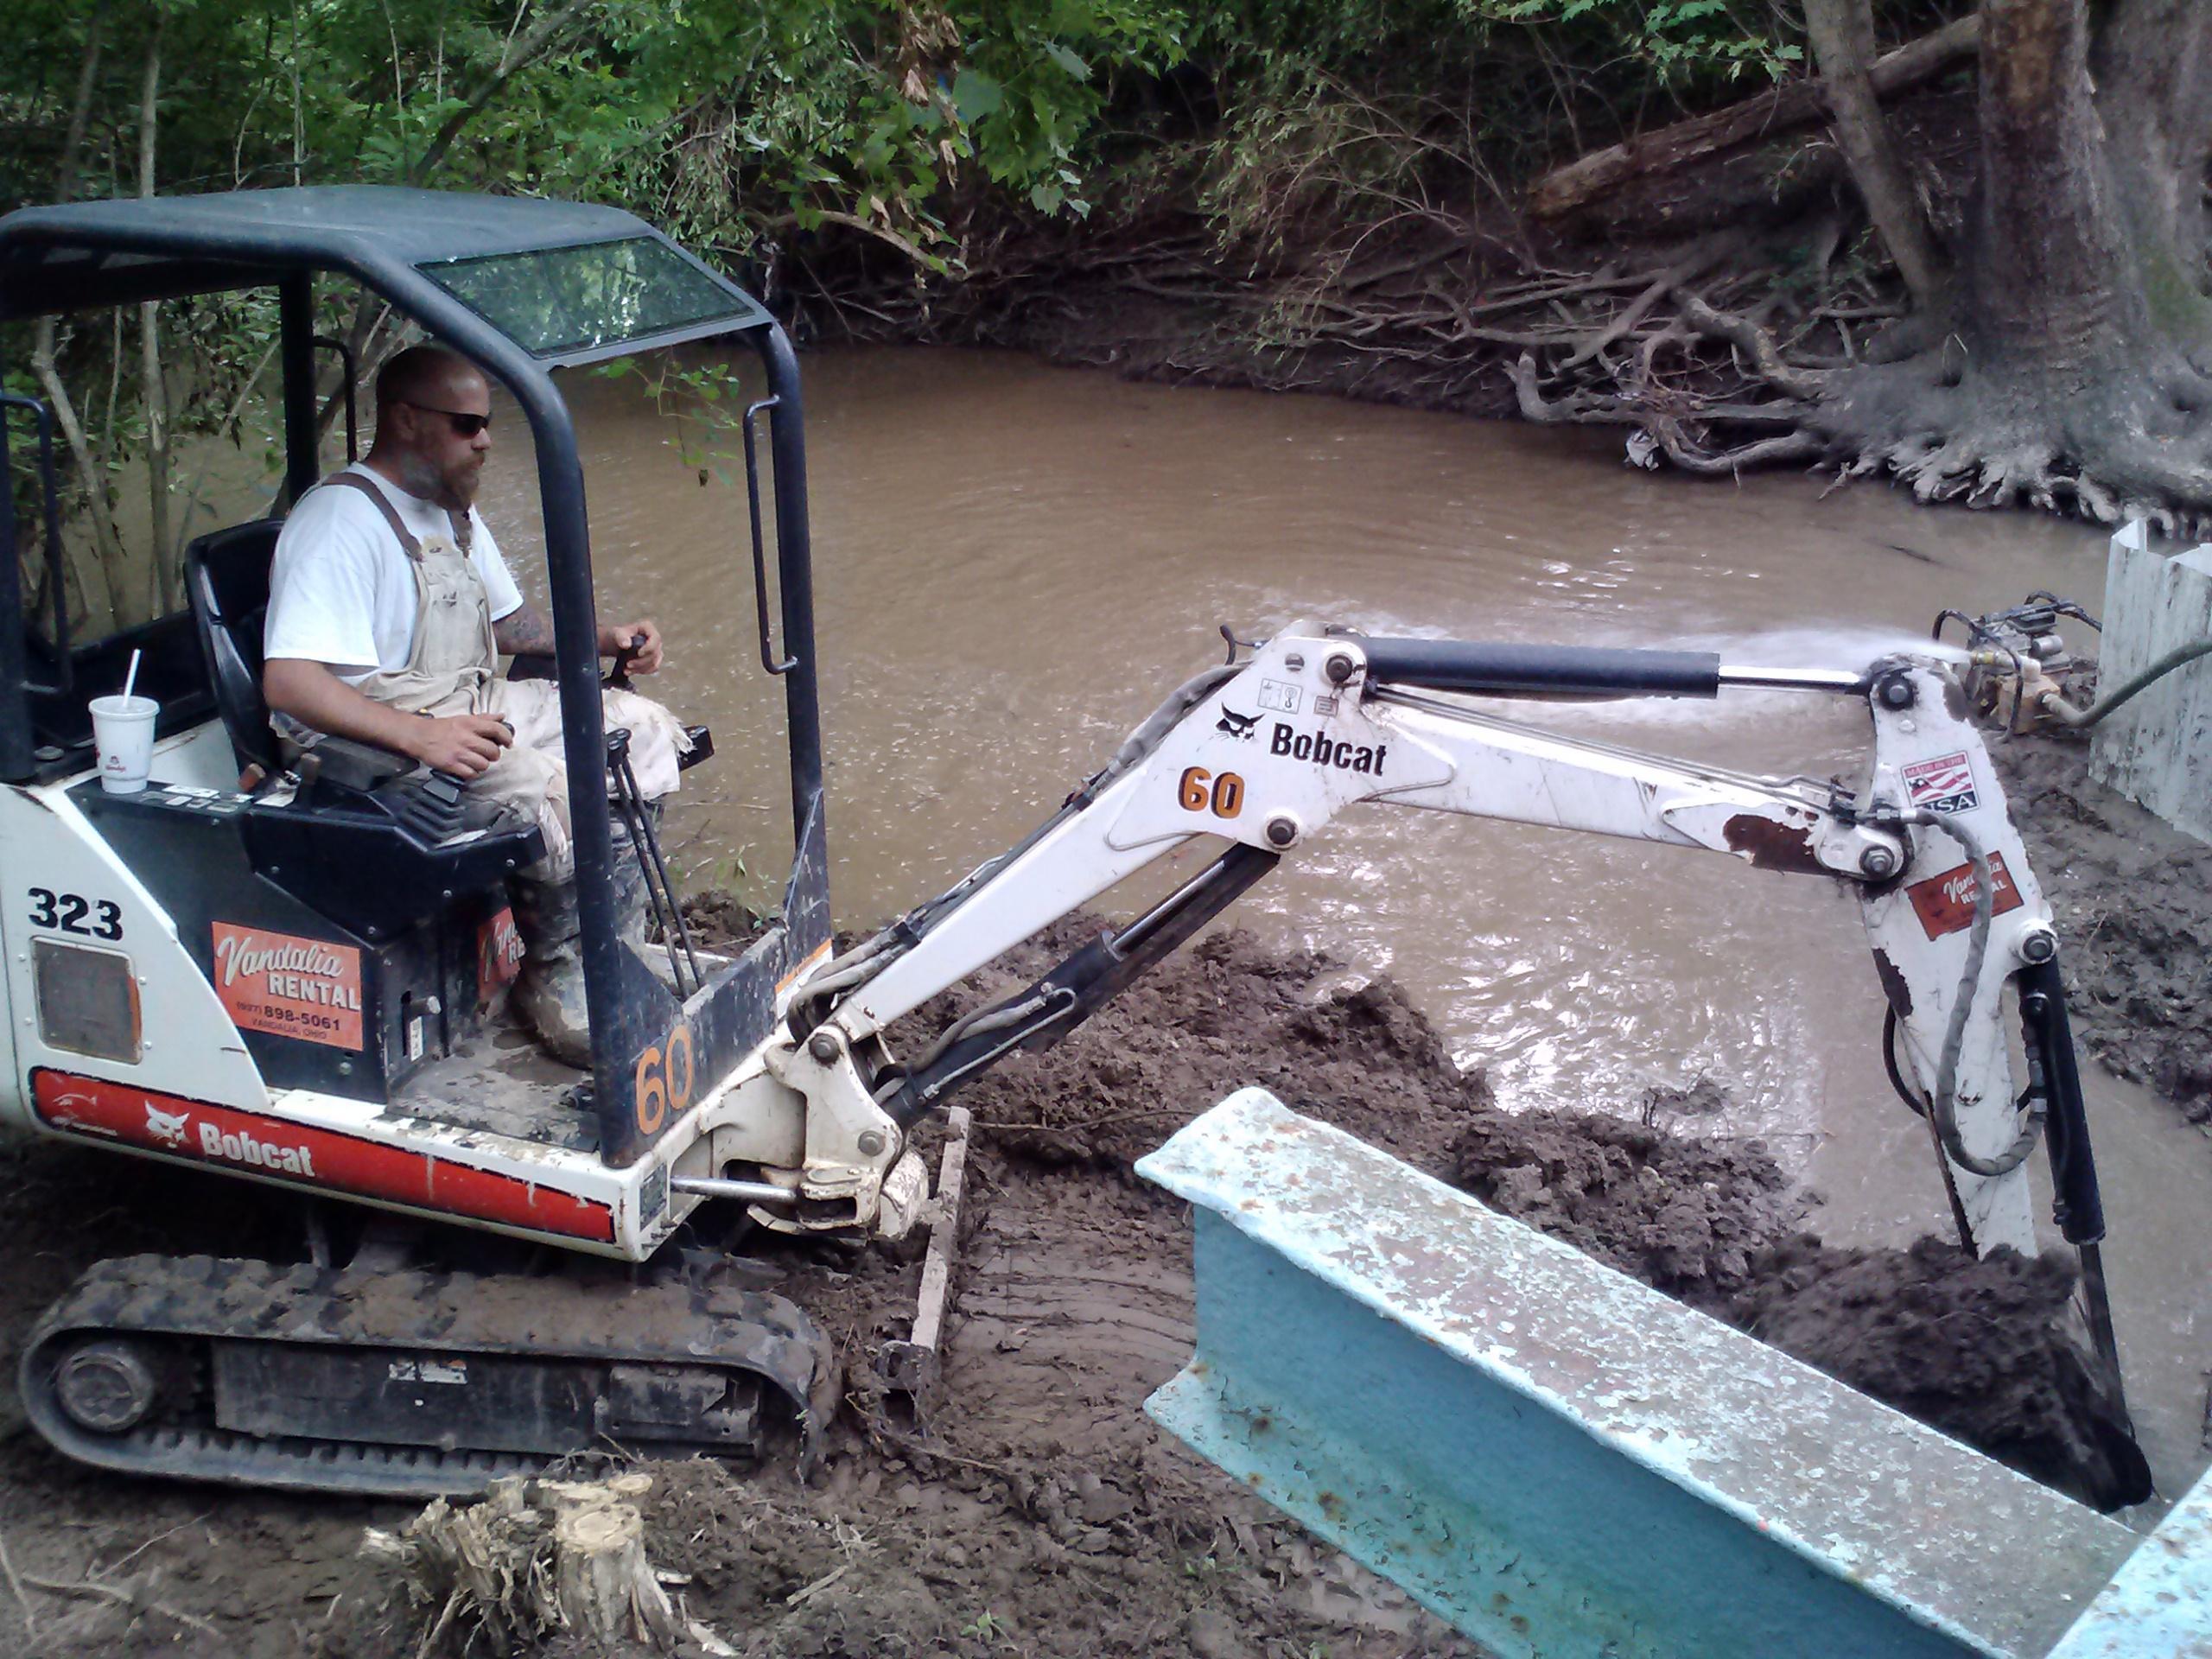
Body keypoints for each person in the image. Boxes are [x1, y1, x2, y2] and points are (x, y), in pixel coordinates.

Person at [263, 342, 690, 1065]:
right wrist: (419, 738)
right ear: (405, 418)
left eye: (487, 424)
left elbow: (507, 627)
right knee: (541, 786)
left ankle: (613, 945)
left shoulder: (450, 513)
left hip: (466, 697)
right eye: (468, 424)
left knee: (644, 732)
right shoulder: (340, 521)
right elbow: (290, 682)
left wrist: (608, 636)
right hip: (367, 733)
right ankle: (554, 980)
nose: (485, 441)